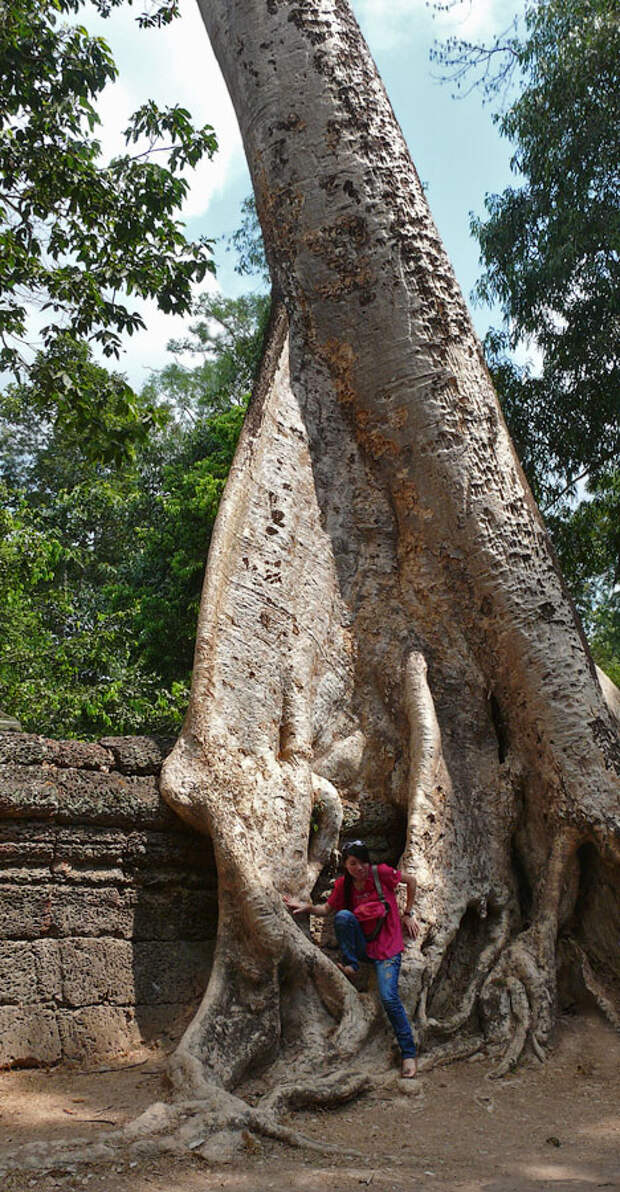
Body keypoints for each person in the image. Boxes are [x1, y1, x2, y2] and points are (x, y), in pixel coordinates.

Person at [285, 840, 419, 1078]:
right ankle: (351, 965)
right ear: (346, 865)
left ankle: (408, 1054)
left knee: (389, 998)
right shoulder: (343, 886)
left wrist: (408, 913)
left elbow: (411, 881)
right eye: (353, 863)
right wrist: (305, 907)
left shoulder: (381, 874)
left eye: (363, 861)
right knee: (344, 916)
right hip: (363, 947)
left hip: (388, 949)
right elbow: (327, 910)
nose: (360, 867)